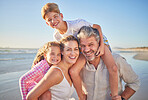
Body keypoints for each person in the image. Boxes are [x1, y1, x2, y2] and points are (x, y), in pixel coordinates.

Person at [38, 3, 119, 99]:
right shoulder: (56, 36)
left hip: (97, 41)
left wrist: (101, 45)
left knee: (113, 68)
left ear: (61, 16)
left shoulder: (77, 24)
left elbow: (98, 27)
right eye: (50, 20)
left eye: (55, 16)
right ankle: (82, 97)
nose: (54, 21)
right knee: (73, 71)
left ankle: (115, 96)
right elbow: (62, 52)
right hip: (81, 49)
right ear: (47, 23)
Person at [77, 26, 140, 100]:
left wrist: (123, 98)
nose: (87, 50)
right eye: (83, 46)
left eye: (91, 45)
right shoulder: (78, 65)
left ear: (99, 44)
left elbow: (134, 82)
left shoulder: (117, 60)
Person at [26, 35, 80, 100]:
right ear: (62, 52)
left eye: (76, 49)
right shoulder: (56, 72)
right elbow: (31, 97)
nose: (73, 53)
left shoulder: (70, 69)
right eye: (68, 49)